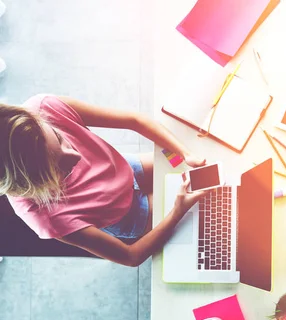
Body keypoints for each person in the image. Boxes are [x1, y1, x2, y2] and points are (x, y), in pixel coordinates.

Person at [0, 94, 208, 266]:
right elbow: (131, 256)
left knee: (207, 174)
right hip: (132, 215)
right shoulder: (44, 216)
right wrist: (177, 212)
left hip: (128, 168)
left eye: (60, 139)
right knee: (205, 211)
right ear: (40, 185)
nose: (77, 157)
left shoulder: (44, 109)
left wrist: (185, 153)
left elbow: (134, 121)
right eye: (61, 168)